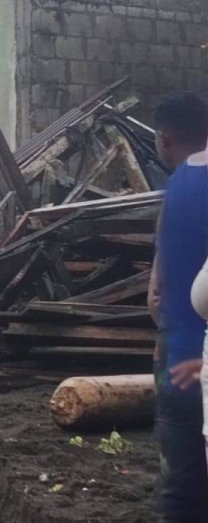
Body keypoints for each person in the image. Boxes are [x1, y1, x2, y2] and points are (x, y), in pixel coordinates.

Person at [149, 92, 208, 521]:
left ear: (164, 138)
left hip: (181, 362)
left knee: (182, 494)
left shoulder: (180, 187)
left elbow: (158, 293)